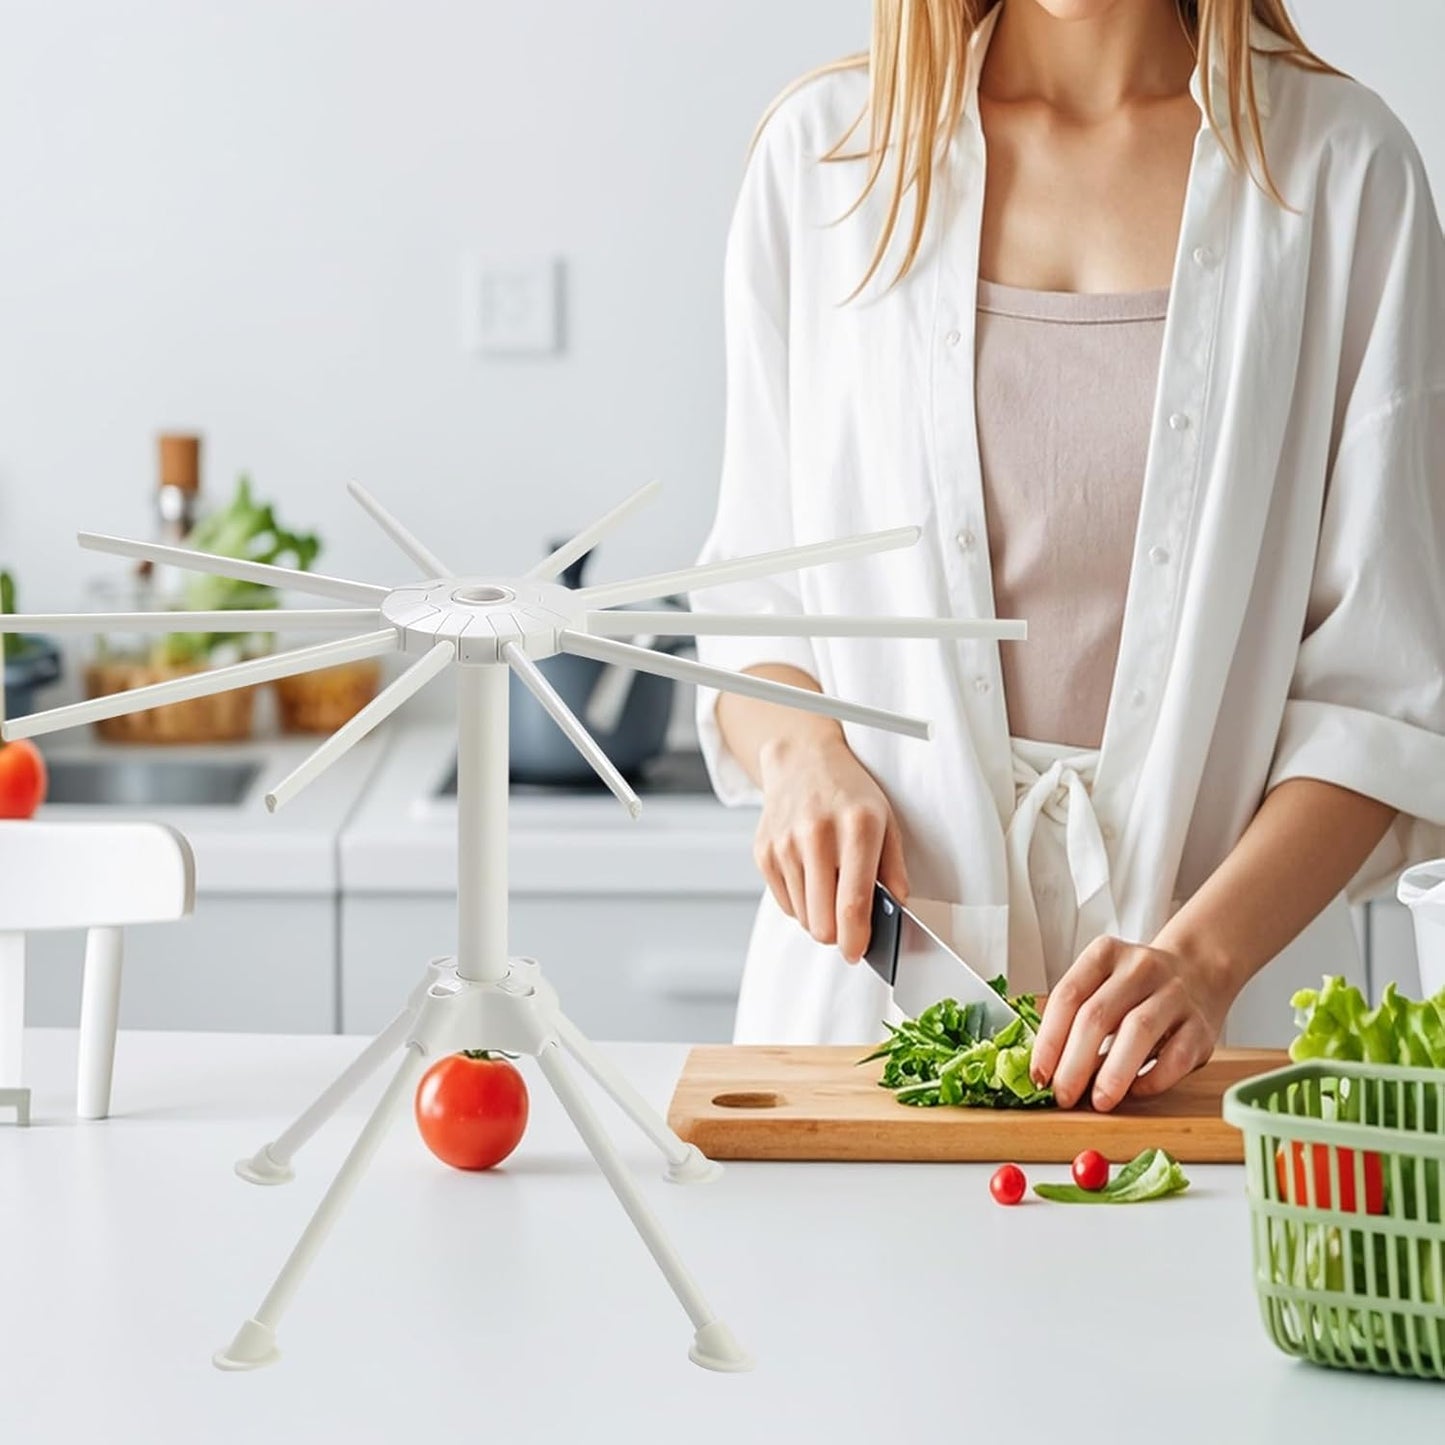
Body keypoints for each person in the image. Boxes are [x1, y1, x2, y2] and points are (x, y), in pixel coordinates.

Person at [692, 0, 1445, 1110]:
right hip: (868, 1019)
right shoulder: (821, 159)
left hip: (1219, 1042)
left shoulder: (1341, 169)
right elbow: (754, 601)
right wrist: (802, 760)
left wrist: (1203, 958)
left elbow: (1382, 688)